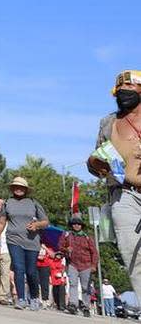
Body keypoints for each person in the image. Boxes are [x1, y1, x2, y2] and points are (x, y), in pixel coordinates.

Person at [88, 70, 141, 296]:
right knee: (132, 255)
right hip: (124, 194)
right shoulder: (108, 122)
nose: (124, 92)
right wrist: (94, 164)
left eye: (130, 87)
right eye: (120, 90)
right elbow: (97, 157)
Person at [0, 176, 49, 310]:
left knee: (31, 271)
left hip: (32, 242)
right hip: (13, 240)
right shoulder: (7, 203)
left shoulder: (33, 203)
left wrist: (37, 225)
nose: (18, 189)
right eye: (16, 186)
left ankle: (34, 297)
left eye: (21, 187)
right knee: (18, 268)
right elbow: (1, 222)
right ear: (12, 188)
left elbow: (45, 222)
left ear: (26, 189)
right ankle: (21, 299)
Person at [60, 214, 98, 316]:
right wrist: (66, 249)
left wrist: (94, 265)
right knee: (73, 284)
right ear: (71, 225)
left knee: (86, 287)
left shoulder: (87, 237)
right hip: (72, 264)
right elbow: (60, 246)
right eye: (74, 223)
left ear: (81, 225)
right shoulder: (67, 235)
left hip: (86, 265)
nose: (76, 225)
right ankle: (73, 304)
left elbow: (94, 252)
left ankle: (86, 306)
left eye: (78, 224)